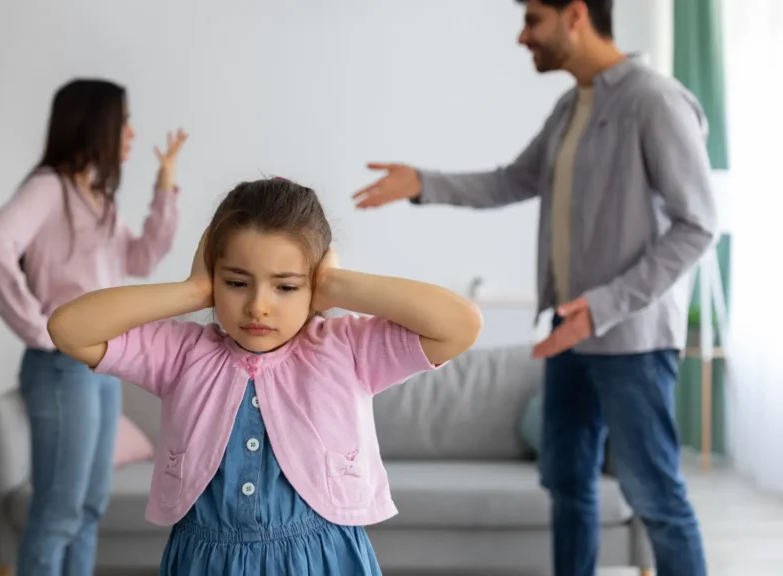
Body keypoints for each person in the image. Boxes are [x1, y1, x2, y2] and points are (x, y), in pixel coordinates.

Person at [351, 1, 716, 575]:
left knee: (656, 499)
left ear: (576, 15)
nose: (524, 37)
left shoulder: (654, 101)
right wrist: (425, 183)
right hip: (567, 339)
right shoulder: (572, 106)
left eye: (534, 20)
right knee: (568, 486)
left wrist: (602, 308)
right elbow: (512, 181)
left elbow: (698, 226)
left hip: (631, 344)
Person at [46, 177, 483, 575]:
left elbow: (460, 325)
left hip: (326, 561)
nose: (259, 305)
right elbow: (68, 329)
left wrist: (335, 282)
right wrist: (191, 291)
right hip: (204, 562)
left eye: (286, 286)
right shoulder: (181, 354)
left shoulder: (346, 349)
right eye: (236, 283)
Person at [0, 78, 187, 576]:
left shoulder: (98, 198)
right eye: (125, 120)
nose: (133, 132)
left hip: (101, 364)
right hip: (62, 368)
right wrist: (40, 330)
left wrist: (165, 185)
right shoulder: (48, 188)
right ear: (97, 124)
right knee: (59, 510)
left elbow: (141, 258)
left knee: (88, 509)